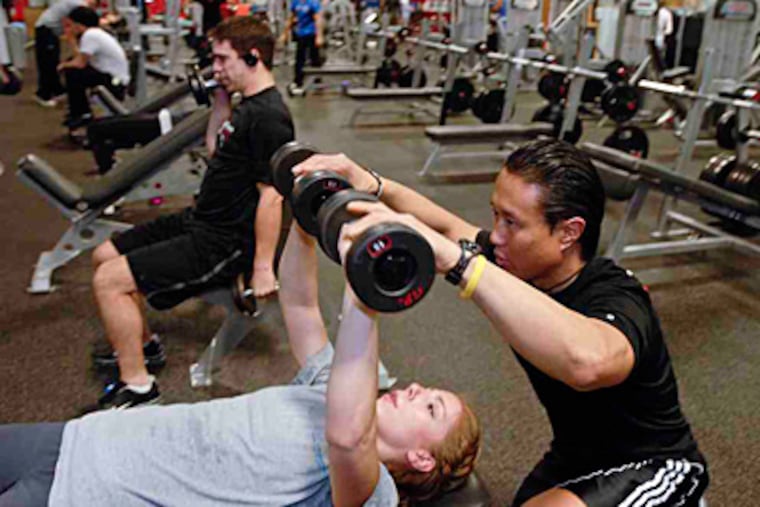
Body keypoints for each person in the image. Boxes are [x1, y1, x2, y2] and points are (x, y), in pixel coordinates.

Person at [293, 139, 710, 506]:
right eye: (495, 216)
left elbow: (590, 362)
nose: (495, 236)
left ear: (569, 232)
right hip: (577, 456)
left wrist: (462, 265)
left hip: (655, 463)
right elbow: (444, 225)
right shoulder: (518, 264)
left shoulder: (616, 294)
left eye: (511, 222)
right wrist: (372, 183)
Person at [0, 222, 481, 507]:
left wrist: (367, 295)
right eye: (428, 389)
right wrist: (304, 227)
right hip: (83, 437)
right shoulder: (338, 391)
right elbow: (299, 307)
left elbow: (348, 437)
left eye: (432, 408)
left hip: (89, 494)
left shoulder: (371, 492)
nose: (417, 389)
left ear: (422, 458)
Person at [88, 16, 293, 410]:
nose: (214, 69)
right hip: (199, 219)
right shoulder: (245, 106)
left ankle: (140, 388)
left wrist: (263, 268)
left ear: (252, 57)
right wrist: (219, 102)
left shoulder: (270, 116)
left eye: (221, 60)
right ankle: (144, 346)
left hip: (222, 241)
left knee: (108, 281)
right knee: (104, 255)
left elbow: (272, 197)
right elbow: (218, 149)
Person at [57, 6, 130, 130]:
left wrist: (62, 66)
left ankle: (81, 113)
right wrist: (72, 41)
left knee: (72, 72)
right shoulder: (94, 34)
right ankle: (79, 111)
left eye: (70, 25)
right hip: (110, 76)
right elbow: (79, 58)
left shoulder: (91, 35)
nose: (68, 29)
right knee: (72, 67)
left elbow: (80, 63)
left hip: (115, 82)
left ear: (78, 25)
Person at [32, 0, 96, 107]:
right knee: (48, 63)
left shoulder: (79, 4)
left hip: (52, 30)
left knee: (53, 60)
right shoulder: (79, 4)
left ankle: (57, 90)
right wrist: (76, 51)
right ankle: (43, 94)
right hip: (46, 28)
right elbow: (72, 26)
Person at [281, 0, 323, 94]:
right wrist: (285, 33)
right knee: (299, 58)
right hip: (301, 33)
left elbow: (318, 19)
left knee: (314, 58)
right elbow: (291, 18)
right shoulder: (295, 2)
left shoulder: (313, 3)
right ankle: (298, 81)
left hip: (312, 33)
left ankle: (317, 81)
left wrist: (319, 36)